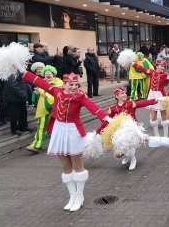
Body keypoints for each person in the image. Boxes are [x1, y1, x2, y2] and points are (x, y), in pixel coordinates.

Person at [22, 70, 111, 212]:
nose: (74, 87)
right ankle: (72, 196)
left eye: (76, 84)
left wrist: (106, 118)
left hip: (73, 131)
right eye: (71, 84)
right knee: (66, 167)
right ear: (64, 84)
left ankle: (80, 196)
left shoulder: (80, 96)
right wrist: (22, 70)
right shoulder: (56, 91)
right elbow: (40, 82)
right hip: (59, 130)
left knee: (78, 167)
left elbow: (93, 107)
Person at [97, 87, 157, 170]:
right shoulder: (112, 108)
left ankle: (133, 159)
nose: (125, 94)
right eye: (122, 93)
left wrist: (155, 100)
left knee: (129, 146)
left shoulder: (130, 104)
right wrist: (98, 131)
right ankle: (126, 156)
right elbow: (107, 121)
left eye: (125, 93)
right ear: (117, 96)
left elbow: (143, 103)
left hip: (131, 130)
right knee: (117, 154)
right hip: (120, 131)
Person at [131, 59, 169, 137]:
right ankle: (156, 135)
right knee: (153, 116)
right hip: (152, 95)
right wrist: (134, 64)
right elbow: (143, 69)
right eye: (161, 66)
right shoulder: (151, 72)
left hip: (161, 96)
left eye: (163, 66)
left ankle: (165, 136)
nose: (163, 68)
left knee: (163, 115)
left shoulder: (165, 74)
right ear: (157, 66)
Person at [26, 65, 64, 153]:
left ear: (53, 74)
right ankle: (36, 145)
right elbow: (35, 98)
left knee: (59, 127)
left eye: (50, 73)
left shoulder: (58, 82)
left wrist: (41, 91)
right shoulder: (41, 82)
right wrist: (35, 93)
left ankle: (61, 144)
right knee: (41, 126)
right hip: (43, 108)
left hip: (56, 108)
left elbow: (56, 91)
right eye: (46, 73)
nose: (48, 75)